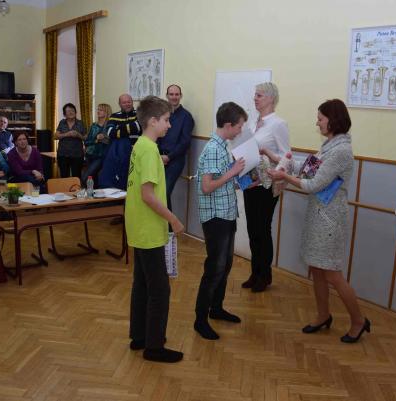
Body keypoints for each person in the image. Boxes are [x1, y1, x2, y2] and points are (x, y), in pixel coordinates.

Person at [267, 99, 370, 343]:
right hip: (319, 214)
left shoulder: (341, 151)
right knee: (317, 269)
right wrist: (277, 158)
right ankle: (323, 315)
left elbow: (312, 184)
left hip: (330, 218)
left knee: (332, 273)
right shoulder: (329, 145)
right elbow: (307, 168)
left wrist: (284, 177)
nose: (317, 123)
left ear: (333, 120)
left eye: (320, 119)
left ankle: (358, 320)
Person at [125, 96, 185, 363]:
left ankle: (140, 336)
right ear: (152, 121)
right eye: (166, 120)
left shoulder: (141, 145)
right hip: (148, 229)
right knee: (160, 290)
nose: (169, 125)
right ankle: (154, 347)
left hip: (138, 225)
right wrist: (173, 219)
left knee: (142, 285)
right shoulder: (149, 150)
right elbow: (148, 195)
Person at [194, 102, 247, 340]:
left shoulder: (223, 146)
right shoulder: (214, 148)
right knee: (214, 268)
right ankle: (200, 320)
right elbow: (207, 187)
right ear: (228, 125)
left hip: (226, 213)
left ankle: (216, 308)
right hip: (216, 217)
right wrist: (233, 172)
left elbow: (222, 181)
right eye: (239, 126)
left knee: (225, 265)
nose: (240, 130)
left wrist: (242, 180)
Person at [242, 82, 291, 292]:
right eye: (255, 95)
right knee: (252, 229)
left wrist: (270, 160)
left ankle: (264, 275)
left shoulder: (278, 124)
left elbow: (286, 157)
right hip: (250, 182)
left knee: (263, 229)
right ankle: (255, 273)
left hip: (267, 184)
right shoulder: (253, 124)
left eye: (259, 95)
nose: (255, 98)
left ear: (271, 99)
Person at [157, 84, 195, 209]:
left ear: (180, 96)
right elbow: (156, 135)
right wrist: (158, 155)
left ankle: (169, 222)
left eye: (177, 94)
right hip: (158, 158)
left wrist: (168, 157)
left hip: (175, 160)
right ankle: (164, 221)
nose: (174, 97)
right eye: (171, 94)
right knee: (158, 193)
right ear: (167, 96)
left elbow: (185, 142)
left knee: (164, 192)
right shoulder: (161, 114)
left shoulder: (186, 117)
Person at [98, 94, 141, 189]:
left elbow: (139, 127)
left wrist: (119, 128)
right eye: (124, 102)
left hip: (137, 154)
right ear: (119, 104)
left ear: (132, 102)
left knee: (134, 184)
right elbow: (110, 133)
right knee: (119, 181)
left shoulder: (139, 114)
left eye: (129, 102)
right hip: (119, 155)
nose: (127, 104)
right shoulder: (114, 116)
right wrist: (131, 128)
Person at [82, 103, 112, 186]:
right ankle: (94, 194)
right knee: (93, 180)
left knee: (85, 178)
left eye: (101, 110)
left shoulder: (110, 126)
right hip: (89, 155)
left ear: (106, 112)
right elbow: (86, 141)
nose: (98, 111)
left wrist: (104, 138)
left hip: (101, 157)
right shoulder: (94, 125)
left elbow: (111, 142)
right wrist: (96, 139)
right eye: (98, 109)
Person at [54, 103, 86, 178]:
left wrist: (78, 135)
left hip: (77, 155)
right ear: (65, 114)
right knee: (64, 177)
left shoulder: (80, 123)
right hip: (63, 154)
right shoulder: (62, 122)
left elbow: (86, 138)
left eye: (72, 110)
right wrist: (67, 134)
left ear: (75, 112)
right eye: (68, 111)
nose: (71, 112)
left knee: (76, 177)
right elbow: (55, 136)